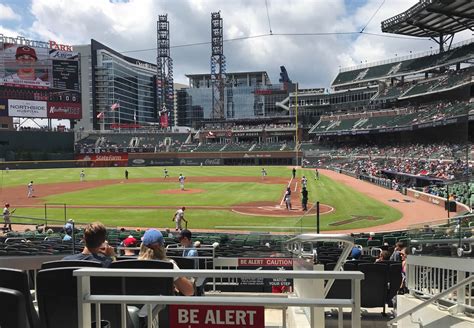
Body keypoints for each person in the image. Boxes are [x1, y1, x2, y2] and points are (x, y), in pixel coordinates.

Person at [138, 229, 194, 296]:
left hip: (134, 305)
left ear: (142, 246)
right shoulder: (168, 265)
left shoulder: (131, 264)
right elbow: (189, 291)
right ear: (162, 247)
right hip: (162, 304)